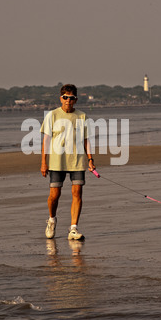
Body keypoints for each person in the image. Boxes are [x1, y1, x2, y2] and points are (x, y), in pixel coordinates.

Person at [40, 84, 96, 240]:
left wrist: (90, 159)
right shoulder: (52, 115)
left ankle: (73, 228)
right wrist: (43, 162)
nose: (68, 101)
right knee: (54, 195)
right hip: (57, 161)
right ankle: (52, 219)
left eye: (71, 98)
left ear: (75, 100)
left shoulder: (82, 116)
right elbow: (46, 141)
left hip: (77, 161)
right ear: (60, 98)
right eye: (65, 97)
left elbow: (86, 140)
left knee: (77, 193)